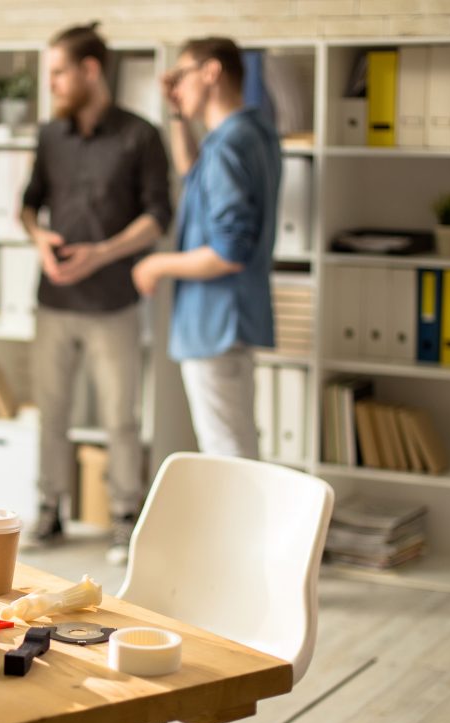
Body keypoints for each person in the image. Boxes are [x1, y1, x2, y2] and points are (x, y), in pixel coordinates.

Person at [21, 23, 172, 564]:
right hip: (54, 300)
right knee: (51, 412)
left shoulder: (141, 135)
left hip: (114, 301)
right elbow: (27, 205)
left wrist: (102, 252)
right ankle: (50, 510)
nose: (53, 83)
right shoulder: (49, 136)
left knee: (120, 417)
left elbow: (159, 216)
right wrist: (39, 241)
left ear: (89, 70)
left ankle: (125, 518)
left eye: (59, 72)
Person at [132, 37, 281, 460]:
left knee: (227, 455)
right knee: (237, 446)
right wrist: (179, 115)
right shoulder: (253, 133)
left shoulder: (228, 146)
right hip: (234, 322)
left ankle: (246, 530)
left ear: (211, 72)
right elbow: (193, 174)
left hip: (215, 323)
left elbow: (227, 252)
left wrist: (157, 263)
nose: (175, 87)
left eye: (181, 76)